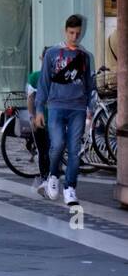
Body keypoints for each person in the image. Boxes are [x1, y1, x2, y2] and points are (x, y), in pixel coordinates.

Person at [35, 14, 96, 207]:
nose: (74, 37)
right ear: (65, 31)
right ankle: (53, 175)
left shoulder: (85, 57)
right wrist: (38, 109)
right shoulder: (53, 53)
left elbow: (89, 84)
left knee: (75, 150)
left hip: (77, 107)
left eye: (78, 33)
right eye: (71, 33)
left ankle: (70, 187)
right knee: (58, 144)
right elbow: (43, 82)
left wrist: (90, 108)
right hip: (56, 106)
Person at [26, 49, 54, 196]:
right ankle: (45, 178)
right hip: (40, 120)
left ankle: (51, 178)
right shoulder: (35, 77)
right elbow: (30, 98)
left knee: (53, 150)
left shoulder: (57, 77)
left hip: (55, 120)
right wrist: (32, 117)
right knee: (43, 150)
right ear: (41, 58)